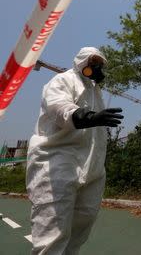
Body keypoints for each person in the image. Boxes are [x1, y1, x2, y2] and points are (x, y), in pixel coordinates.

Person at [26, 47, 124, 254]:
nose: (96, 67)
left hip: (92, 168)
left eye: (100, 63)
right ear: (81, 61)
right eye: (92, 62)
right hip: (56, 163)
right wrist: (85, 116)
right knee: (52, 232)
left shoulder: (95, 91)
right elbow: (58, 107)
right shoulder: (63, 80)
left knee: (81, 226)